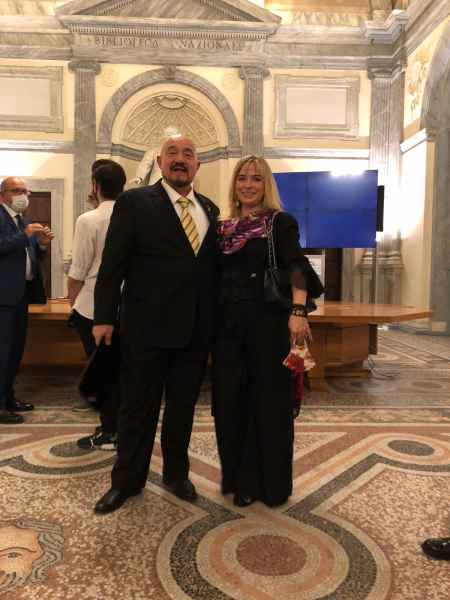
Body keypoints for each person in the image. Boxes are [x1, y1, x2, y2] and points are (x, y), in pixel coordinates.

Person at [92, 135, 219, 514]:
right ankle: (126, 481)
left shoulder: (210, 209)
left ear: (197, 165)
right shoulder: (134, 202)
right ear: (160, 162)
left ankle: (177, 475)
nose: (180, 159)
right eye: (172, 153)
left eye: (188, 154)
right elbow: (112, 264)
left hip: (194, 332)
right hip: (145, 330)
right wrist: (103, 317)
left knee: (182, 409)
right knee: (137, 410)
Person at [212, 155, 323, 508]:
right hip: (227, 327)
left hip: (266, 324)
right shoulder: (222, 227)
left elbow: (297, 267)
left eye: (256, 179)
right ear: (234, 184)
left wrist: (298, 310)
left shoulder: (279, 223)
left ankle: (267, 484)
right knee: (231, 402)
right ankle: (237, 479)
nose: (248, 185)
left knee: (267, 403)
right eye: (242, 178)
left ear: (266, 185)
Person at [67, 161, 126, 449]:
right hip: (126, 308)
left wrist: (72, 303)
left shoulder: (88, 220)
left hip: (92, 307)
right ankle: (121, 428)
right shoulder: (132, 216)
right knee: (122, 373)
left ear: (95, 186)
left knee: (101, 374)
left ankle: (109, 429)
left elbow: (78, 270)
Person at [0, 177, 54, 424]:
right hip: (3, 297)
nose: (23, 195)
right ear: (3, 194)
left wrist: (41, 244)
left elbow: (29, 254)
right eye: (17, 190)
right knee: (2, 353)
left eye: (25, 191)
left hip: (21, 296)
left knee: (15, 351)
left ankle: (9, 397)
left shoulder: (23, 220)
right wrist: (25, 235)